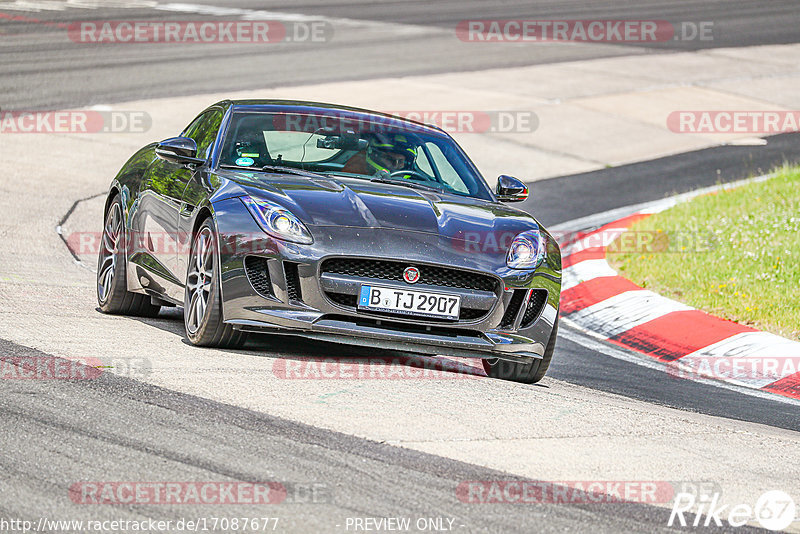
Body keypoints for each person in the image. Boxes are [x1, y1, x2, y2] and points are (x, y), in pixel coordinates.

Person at [341, 133, 417, 176]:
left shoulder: (417, 181)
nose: (395, 166)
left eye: (400, 161)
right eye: (389, 159)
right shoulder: (357, 164)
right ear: (374, 156)